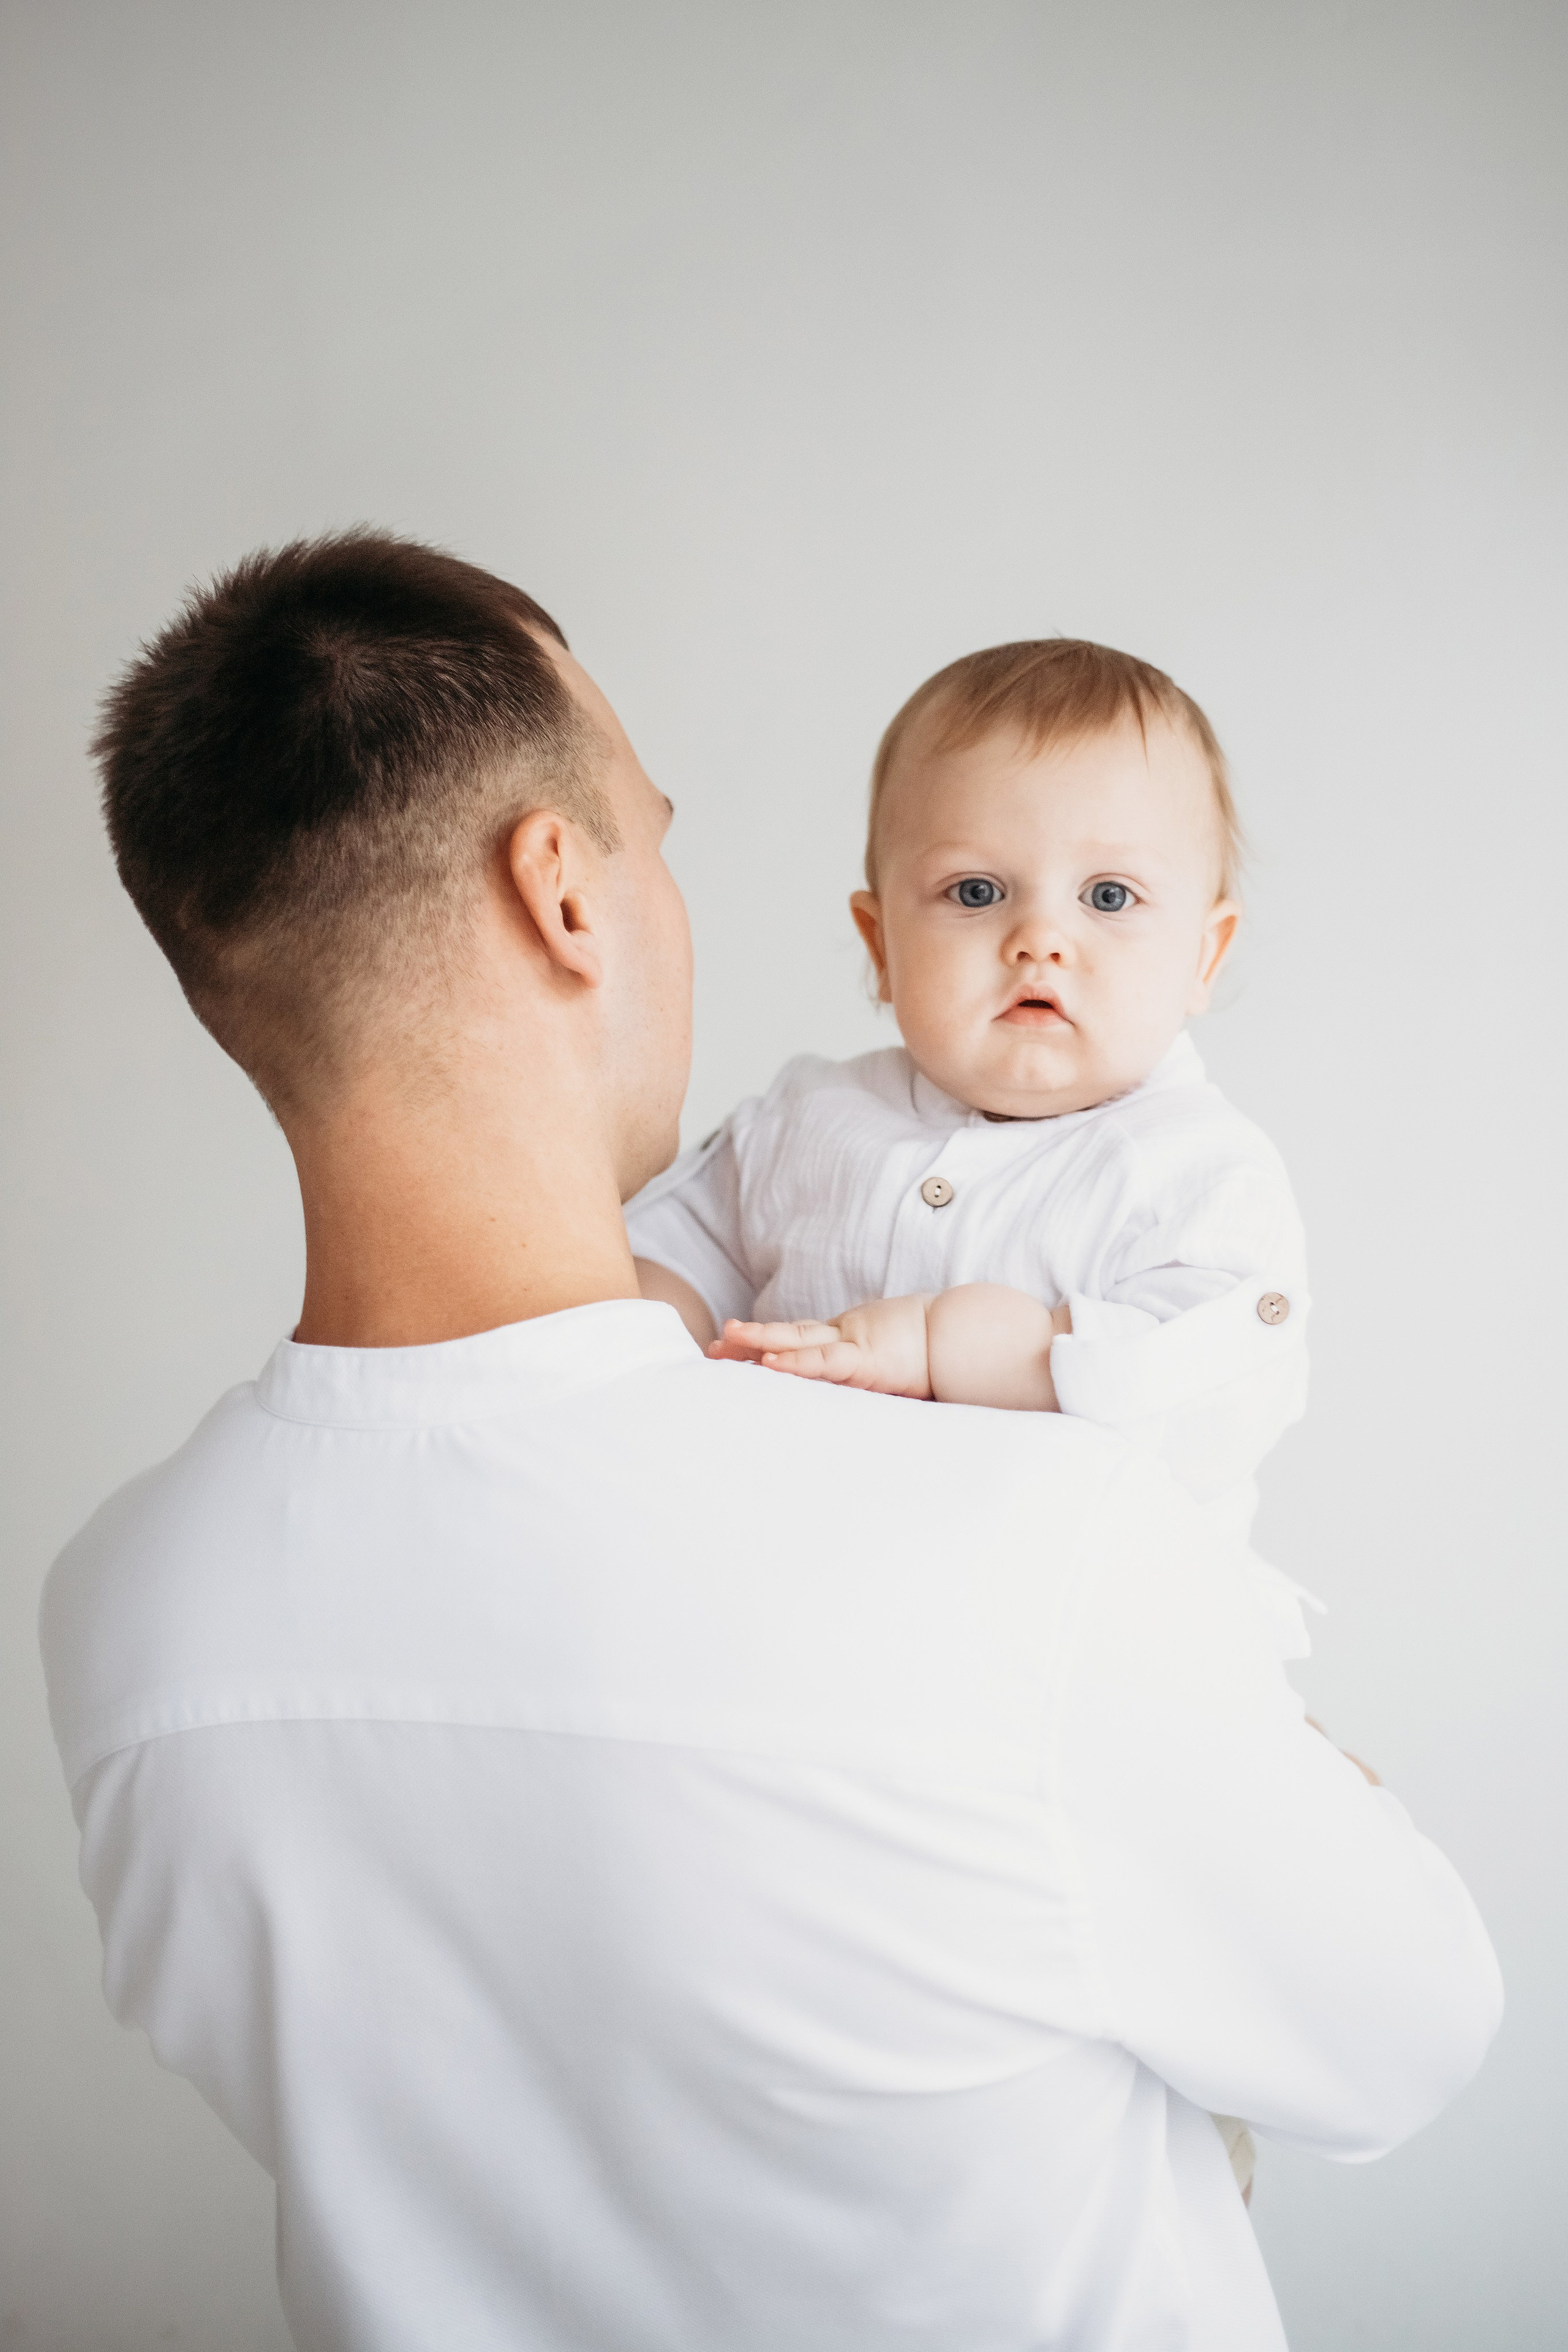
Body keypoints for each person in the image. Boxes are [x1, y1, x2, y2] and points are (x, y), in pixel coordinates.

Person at [43, 530, 1501, 2352]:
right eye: (653, 834)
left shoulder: (120, 1620)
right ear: (563, 891)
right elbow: (1412, 2030)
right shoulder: (1018, 1543)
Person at [624, 636, 1311, 2198]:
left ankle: (1174, 2125)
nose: (1038, 946)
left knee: (1130, 1981)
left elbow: (1213, 1370)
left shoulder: (1191, 1171)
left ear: (1205, 953)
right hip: (833, 1672)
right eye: (974, 894)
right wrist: (644, 1335)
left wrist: (965, 1344)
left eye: (1108, 901)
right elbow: (669, 1248)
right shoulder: (809, 1115)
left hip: (1116, 1687)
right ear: (876, 937)